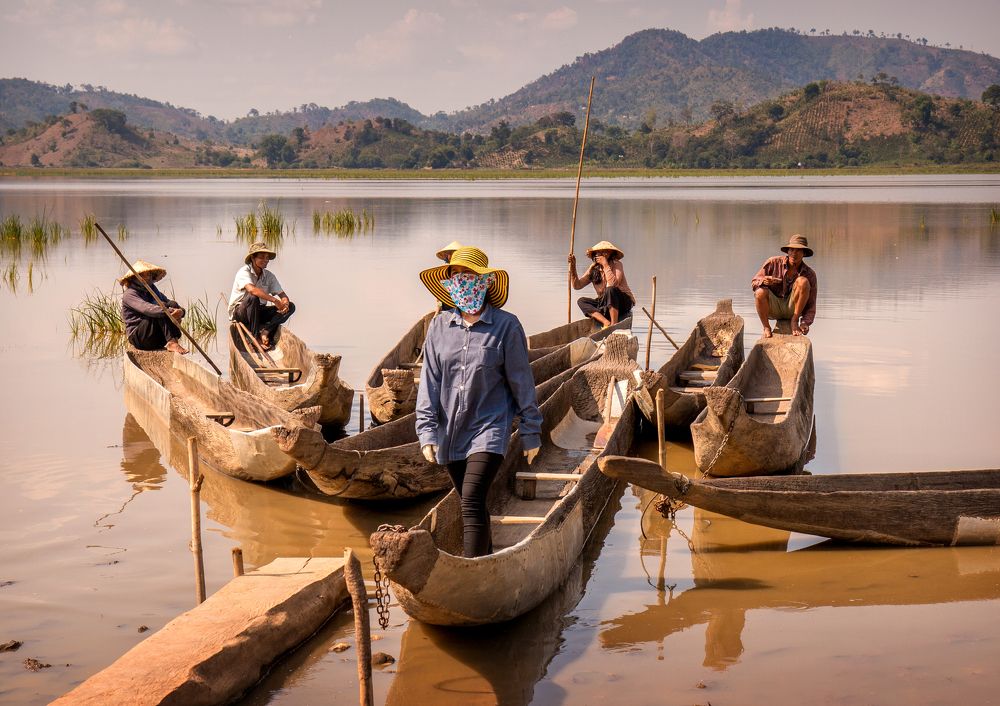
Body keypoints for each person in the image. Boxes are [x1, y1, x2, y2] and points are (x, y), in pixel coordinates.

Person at [415, 246, 542, 558]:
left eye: (469, 275)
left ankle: (471, 572)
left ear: (485, 282)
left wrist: (531, 431)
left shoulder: (506, 326)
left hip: (490, 428)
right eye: (456, 275)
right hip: (450, 431)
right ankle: (487, 561)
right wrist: (427, 431)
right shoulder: (439, 327)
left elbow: (521, 382)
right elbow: (429, 383)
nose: (462, 281)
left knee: (470, 499)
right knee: (471, 503)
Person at [228, 242, 295, 350]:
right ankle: (254, 339)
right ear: (253, 258)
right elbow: (252, 290)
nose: (266, 260)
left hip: (258, 311)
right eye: (262, 257)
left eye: (267, 258)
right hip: (241, 312)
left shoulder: (269, 276)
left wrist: (285, 302)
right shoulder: (244, 271)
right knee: (253, 297)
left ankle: (266, 331)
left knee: (291, 306)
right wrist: (274, 300)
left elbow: (282, 294)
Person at [751, 234, 818, 337]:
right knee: (759, 292)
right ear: (787, 251)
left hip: (794, 310)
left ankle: (794, 321)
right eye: (791, 250)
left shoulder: (810, 274)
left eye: (798, 250)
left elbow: (811, 304)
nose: (794, 254)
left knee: (803, 281)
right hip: (773, 309)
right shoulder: (773, 262)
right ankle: (766, 327)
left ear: (804, 253)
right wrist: (764, 281)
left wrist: (805, 322)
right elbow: (754, 282)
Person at [120, 260, 188, 354]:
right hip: (140, 338)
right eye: (144, 275)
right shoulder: (130, 294)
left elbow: (170, 304)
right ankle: (172, 343)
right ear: (134, 278)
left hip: (156, 338)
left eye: (149, 274)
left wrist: (181, 312)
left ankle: (173, 341)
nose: (148, 277)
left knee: (172, 304)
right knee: (160, 308)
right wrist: (171, 312)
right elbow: (148, 309)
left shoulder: (152, 290)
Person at [569, 240, 635, 327]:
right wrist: (573, 267)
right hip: (606, 304)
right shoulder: (593, 269)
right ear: (595, 254)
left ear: (611, 253)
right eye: (599, 252)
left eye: (606, 251)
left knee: (610, 289)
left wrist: (605, 265)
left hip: (623, 303)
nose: (603, 254)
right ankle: (605, 322)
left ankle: (613, 324)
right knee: (581, 301)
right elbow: (577, 285)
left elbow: (613, 284)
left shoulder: (617, 264)